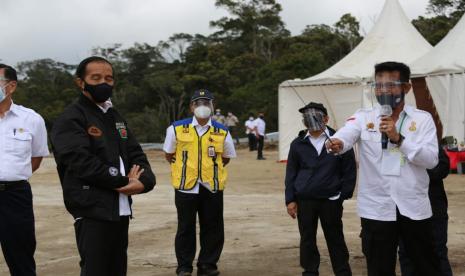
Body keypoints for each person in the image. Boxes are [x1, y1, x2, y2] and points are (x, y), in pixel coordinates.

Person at [326, 61, 441, 276]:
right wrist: (337, 143)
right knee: (379, 268)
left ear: (406, 88)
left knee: (425, 266)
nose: (383, 91)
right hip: (377, 208)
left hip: (413, 206)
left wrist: (399, 139)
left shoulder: (422, 119)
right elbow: (345, 134)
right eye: (378, 86)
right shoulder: (363, 117)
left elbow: (432, 160)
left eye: (391, 85)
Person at [50, 56, 156, 276]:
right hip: (91, 209)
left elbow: (136, 154)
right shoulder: (71, 118)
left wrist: (144, 182)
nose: (103, 83)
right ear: (81, 82)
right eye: (96, 78)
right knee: (95, 270)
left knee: (117, 269)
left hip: (120, 209)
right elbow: (80, 161)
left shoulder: (115, 116)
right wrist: (122, 181)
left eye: (108, 78)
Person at [163, 89, 236, 276]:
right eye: (198, 103)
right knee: (185, 227)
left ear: (212, 106)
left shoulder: (222, 131)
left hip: (211, 186)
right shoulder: (176, 128)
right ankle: (184, 266)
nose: (202, 106)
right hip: (186, 186)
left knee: (213, 227)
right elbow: (169, 154)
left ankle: (207, 265)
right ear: (191, 107)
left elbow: (226, 158)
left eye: (206, 102)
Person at [285, 102, 356, 276]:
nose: (310, 120)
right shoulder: (297, 144)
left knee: (335, 237)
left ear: (325, 118)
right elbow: (291, 173)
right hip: (305, 199)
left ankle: (342, 271)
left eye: (315, 116)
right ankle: (310, 271)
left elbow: (349, 169)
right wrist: (290, 199)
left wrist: (343, 195)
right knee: (307, 238)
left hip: (331, 199)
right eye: (306, 117)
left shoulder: (339, 140)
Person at [0, 64, 49, 276]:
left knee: (21, 256)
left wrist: (13, 175)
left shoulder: (31, 119)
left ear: (11, 86)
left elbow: (36, 158)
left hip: (15, 196)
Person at [399, 146, 453, 276]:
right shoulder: (395, 145)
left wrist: (417, 169)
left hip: (433, 207)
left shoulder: (429, 142)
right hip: (404, 208)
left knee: (437, 251)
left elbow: (443, 168)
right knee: (406, 252)